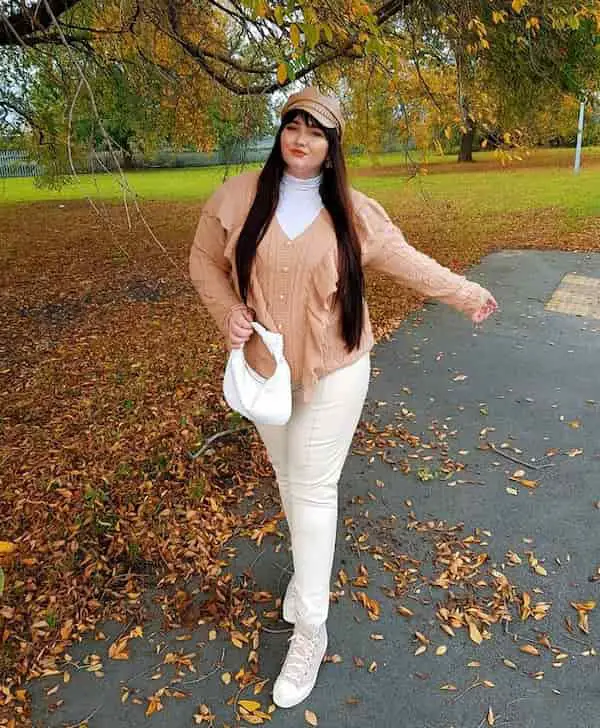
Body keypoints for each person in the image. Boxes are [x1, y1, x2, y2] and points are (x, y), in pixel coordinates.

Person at [189, 87, 498, 709]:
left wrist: (465, 292)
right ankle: (307, 582)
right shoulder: (240, 196)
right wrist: (227, 313)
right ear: (282, 134)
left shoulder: (353, 212)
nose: (301, 138)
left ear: (332, 146)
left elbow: (408, 262)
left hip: (335, 369)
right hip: (267, 368)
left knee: (311, 486)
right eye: (292, 125)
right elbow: (202, 261)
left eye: (317, 131)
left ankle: (311, 626)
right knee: (285, 474)